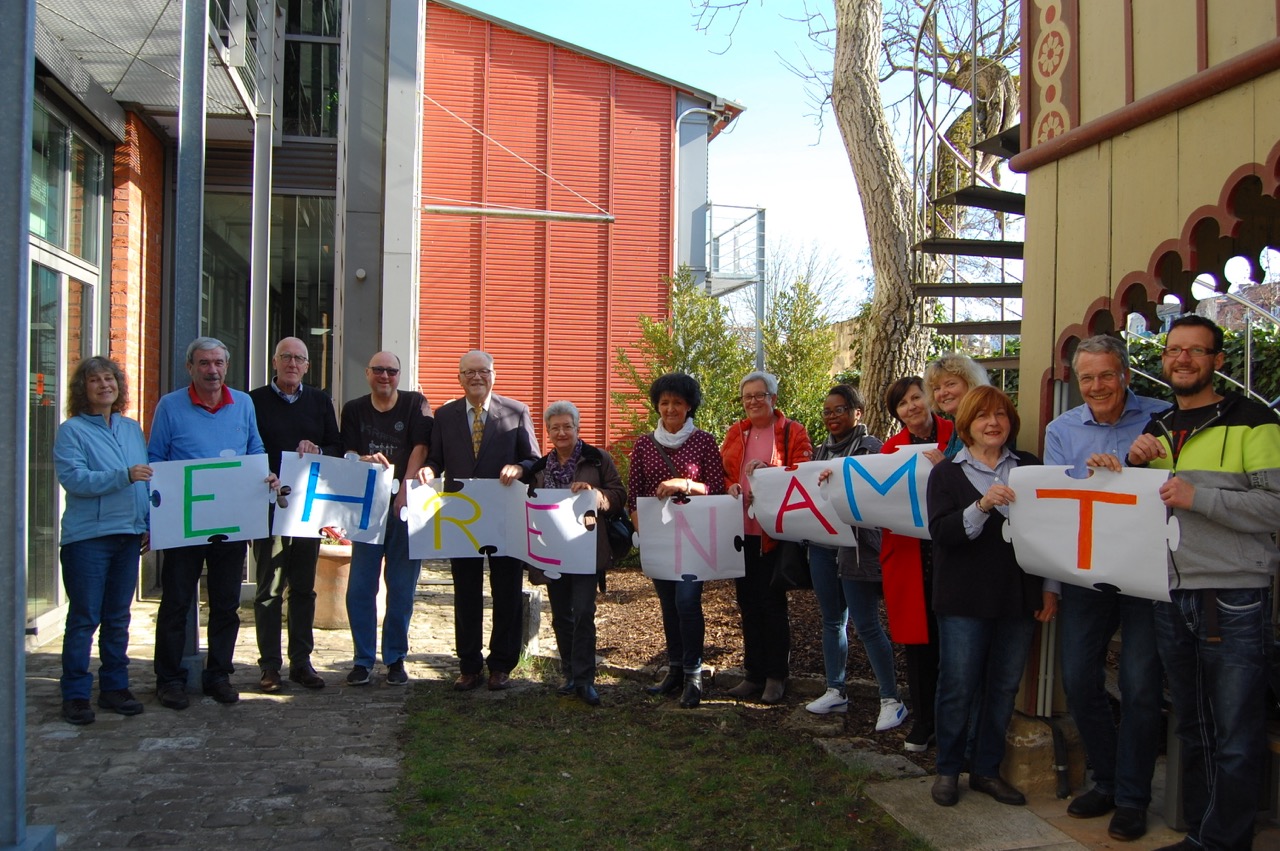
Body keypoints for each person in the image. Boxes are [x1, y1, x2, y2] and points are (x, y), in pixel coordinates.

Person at [1093, 315, 1280, 851]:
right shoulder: (1156, 430)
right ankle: (1202, 835)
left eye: (1196, 351)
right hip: (1170, 593)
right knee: (1193, 727)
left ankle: (1225, 842)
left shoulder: (1255, 422)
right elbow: (1139, 510)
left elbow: (1274, 505)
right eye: (1174, 350)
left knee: (1236, 736)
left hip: (1233, 596)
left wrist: (1198, 496)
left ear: (1217, 361)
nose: (1182, 359)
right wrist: (1123, 467)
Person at [1042, 335, 1168, 842]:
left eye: (1106, 375)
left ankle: (1133, 798)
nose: (1096, 386)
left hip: (1145, 573)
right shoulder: (1061, 429)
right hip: (1086, 572)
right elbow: (1052, 507)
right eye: (1087, 377)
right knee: (1078, 678)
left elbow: (1180, 488)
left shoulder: (1162, 416)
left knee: (1140, 685)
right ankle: (1108, 778)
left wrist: (1150, 464)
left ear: (1126, 376)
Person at [926, 386, 1055, 808]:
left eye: (1000, 414)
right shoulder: (946, 473)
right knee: (958, 687)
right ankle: (948, 770)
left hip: (1017, 598)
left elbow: (1052, 533)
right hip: (963, 600)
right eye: (982, 416)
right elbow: (942, 534)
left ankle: (985, 770)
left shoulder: (1031, 468)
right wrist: (981, 506)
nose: (993, 423)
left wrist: (1049, 589)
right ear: (966, 425)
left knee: (1002, 688)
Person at [149, 337, 274, 710]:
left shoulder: (244, 404)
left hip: (229, 523)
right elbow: (155, 457)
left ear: (226, 366)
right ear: (190, 367)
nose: (212, 370)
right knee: (175, 603)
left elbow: (255, 449)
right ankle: (169, 680)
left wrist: (263, 474)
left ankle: (218, 674)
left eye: (219, 363)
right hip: (184, 524)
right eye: (204, 363)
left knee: (225, 604)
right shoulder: (170, 407)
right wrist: (153, 515)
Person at [421, 350, 538, 692]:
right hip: (461, 516)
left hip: (504, 514)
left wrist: (520, 468)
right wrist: (430, 469)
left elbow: (532, 458)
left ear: (493, 375)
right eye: (468, 372)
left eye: (482, 371)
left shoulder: (516, 412)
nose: (476, 377)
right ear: (459, 377)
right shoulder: (445, 416)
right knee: (466, 591)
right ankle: (469, 665)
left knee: (506, 590)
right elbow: (436, 458)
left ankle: (502, 664)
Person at [53, 356, 151, 725]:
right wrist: (123, 476)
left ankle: (114, 687)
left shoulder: (130, 428)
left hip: (128, 536)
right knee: (84, 618)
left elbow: (145, 482)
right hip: (88, 539)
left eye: (110, 379)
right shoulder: (72, 431)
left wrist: (146, 522)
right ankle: (76, 695)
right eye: (95, 381)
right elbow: (75, 480)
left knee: (117, 618)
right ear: (84, 389)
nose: (104, 386)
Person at [806, 385, 907, 733]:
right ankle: (836, 689)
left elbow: (879, 497)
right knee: (832, 620)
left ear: (857, 413)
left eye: (839, 410)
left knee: (866, 624)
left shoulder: (872, 449)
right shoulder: (819, 451)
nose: (832, 417)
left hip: (857, 548)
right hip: (822, 545)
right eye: (827, 411)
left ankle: (891, 699)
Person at [249, 337, 343, 693]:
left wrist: (318, 448)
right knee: (269, 589)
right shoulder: (254, 401)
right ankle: (270, 666)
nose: (292, 363)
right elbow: (249, 448)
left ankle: (301, 663)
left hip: (306, 509)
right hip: (268, 504)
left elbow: (336, 446)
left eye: (299, 358)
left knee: (304, 588)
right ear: (274, 362)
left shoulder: (319, 401)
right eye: (286, 357)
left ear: (307, 366)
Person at [628, 373, 726, 708]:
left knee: (687, 601)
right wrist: (642, 531)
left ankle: (694, 674)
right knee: (668, 604)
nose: (670, 408)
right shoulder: (643, 444)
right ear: (657, 404)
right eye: (665, 402)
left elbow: (717, 489)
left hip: (694, 537)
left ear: (689, 406)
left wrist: (683, 483)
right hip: (659, 537)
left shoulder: (704, 442)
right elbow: (634, 493)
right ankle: (674, 670)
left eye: (678, 402)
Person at [518, 401, 627, 706]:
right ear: (548, 432)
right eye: (555, 427)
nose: (562, 432)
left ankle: (585, 678)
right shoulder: (539, 468)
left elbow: (619, 496)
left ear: (577, 429)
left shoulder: (597, 459)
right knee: (561, 616)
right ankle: (569, 674)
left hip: (586, 549)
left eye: (568, 426)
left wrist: (597, 496)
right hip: (553, 551)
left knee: (583, 613)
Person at [720, 371, 813, 705]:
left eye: (760, 396)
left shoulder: (792, 431)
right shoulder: (736, 432)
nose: (753, 402)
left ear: (773, 398)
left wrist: (770, 472)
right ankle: (753, 674)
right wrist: (730, 485)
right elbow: (725, 472)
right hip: (741, 532)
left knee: (773, 605)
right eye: (747, 397)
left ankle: (776, 676)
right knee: (747, 604)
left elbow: (802, 474)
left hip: (773, 533)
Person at [340, 351, 432, 687]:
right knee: (361, 587)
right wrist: (361, 458)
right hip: (367, 507)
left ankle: (395, 658)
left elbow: (421, 448)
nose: (385, 376)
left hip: (405, 507)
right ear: (367, 373)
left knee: (402, 587)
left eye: (391, 370)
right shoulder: (353, 409)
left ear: (399, 374)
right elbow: (346, 453)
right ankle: (363, 659)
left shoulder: (415, 404)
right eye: (378, 370)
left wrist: (406, 491)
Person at [879, 376, 953, 753]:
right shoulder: (890, 449)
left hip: (952, 557)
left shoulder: (958, 435)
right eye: (902, 404)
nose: (912, 407)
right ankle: (924, 722)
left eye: (915, 397)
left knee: (954, 642)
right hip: (910, 558)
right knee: (918, 644)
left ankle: (953, 724)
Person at [924, 352, 990, 459]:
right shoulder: (960, 424)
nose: (943, 393)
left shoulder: (982, 422)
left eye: (950, 384)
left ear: (970, 383)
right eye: (936, 388)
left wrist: (943, 466)